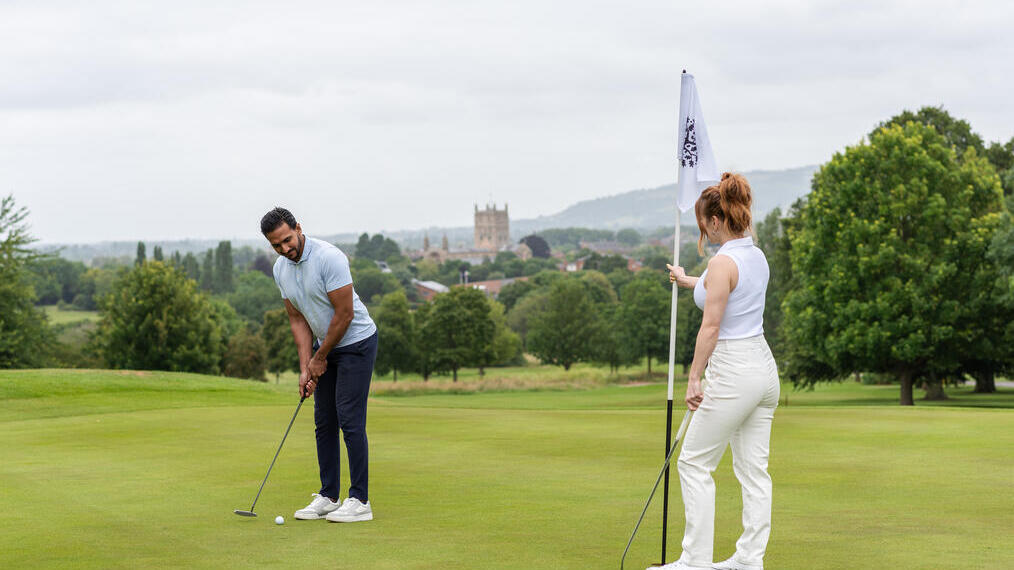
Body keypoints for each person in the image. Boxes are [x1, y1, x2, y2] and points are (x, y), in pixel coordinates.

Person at [657, 173, 779, 570]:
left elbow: (710, 326)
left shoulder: (723, 261)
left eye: (703, 224)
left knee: (693, 462)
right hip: (763, 370)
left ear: (715, 220)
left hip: (733, 369)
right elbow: (720, 287)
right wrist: (687, 279)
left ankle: (694, 562)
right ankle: (748, 560)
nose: (703, 232)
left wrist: (694, 378)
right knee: (753, 471)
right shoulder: (754, 255)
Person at [260, 207, 379, 523]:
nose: (285, 249)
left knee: (349, 419)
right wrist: (305, 367)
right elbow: (297, 319)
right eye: (276, 245)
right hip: (323, 347)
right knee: (324, 421)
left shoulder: (329, 257)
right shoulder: (280, 269)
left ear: (298, 228)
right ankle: (328, 496)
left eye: (287, 240)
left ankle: (360, 500)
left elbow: (344, 315)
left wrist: (319, 358)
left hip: (355, 342)